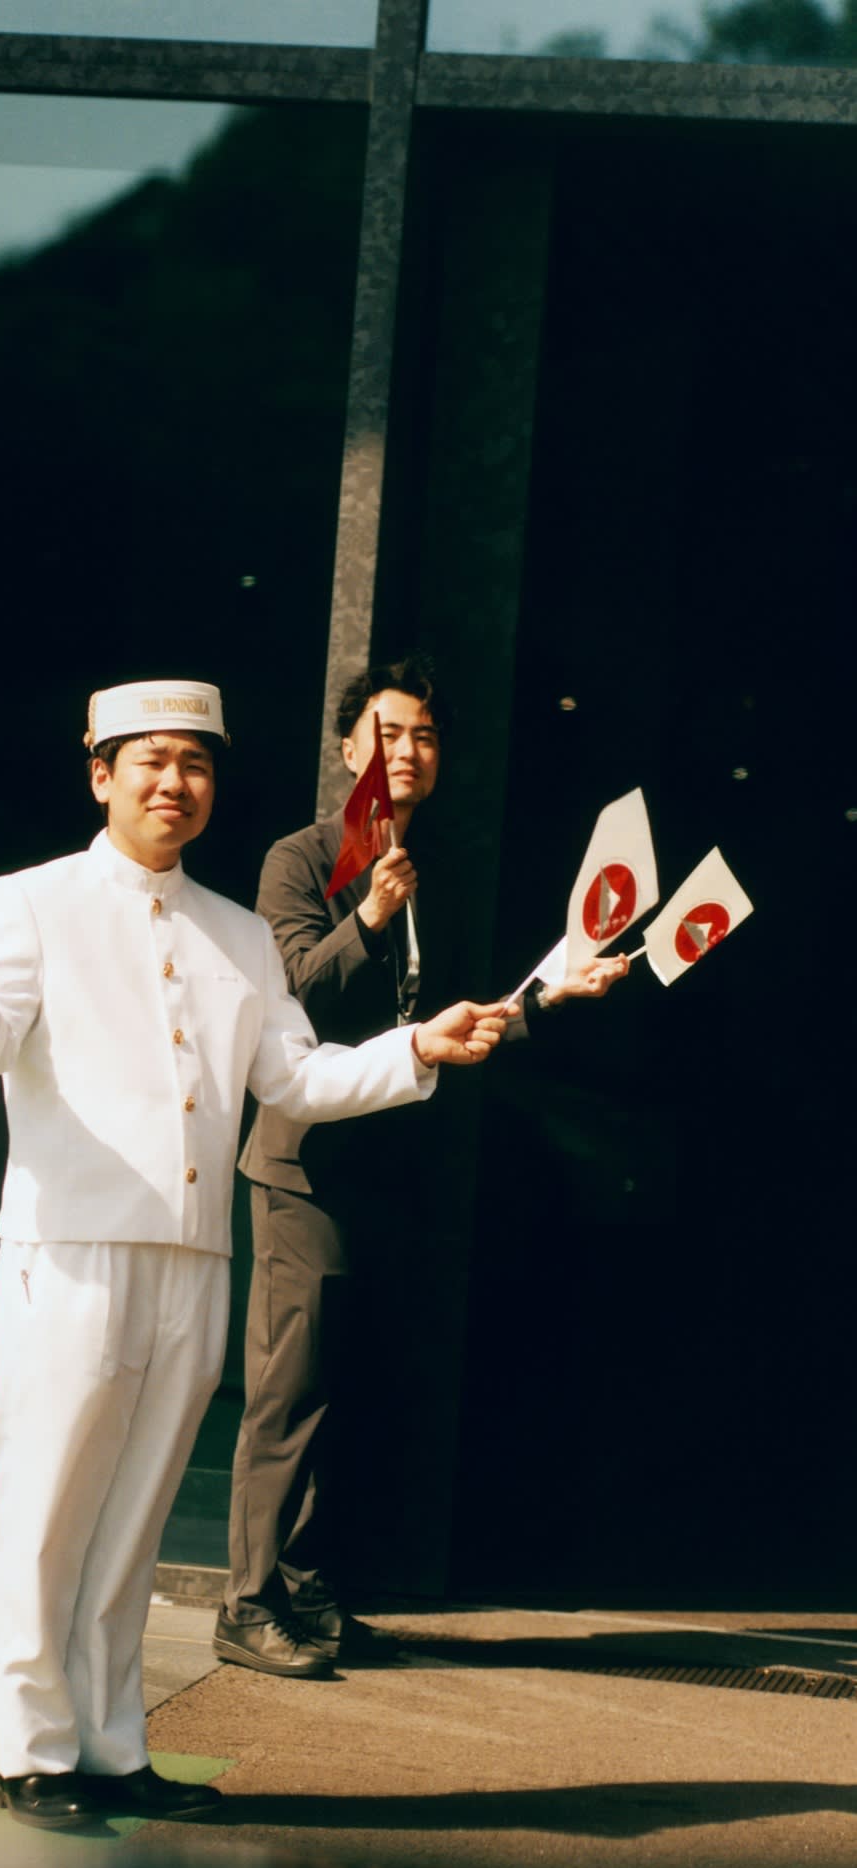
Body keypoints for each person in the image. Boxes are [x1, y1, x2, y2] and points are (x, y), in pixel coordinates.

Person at [0, 677, 513, 1830]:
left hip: (191, 1260)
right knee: (44, 1511)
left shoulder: (238, 932)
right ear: (100, 773)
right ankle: (31, 1751)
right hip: (70, 1249)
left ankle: (112, 1743)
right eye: (148, 761)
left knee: (135, 1519)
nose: (172, 784)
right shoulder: (28, 899)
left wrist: (415, 1046)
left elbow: (293, 1079)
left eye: (193, 764)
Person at [215, 653, 627, 1679]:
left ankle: (308, 1593)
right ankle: (247, 1601)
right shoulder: (299, 859)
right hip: (306, 1167)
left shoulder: (428, 861)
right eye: (390, 733)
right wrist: (368, 917)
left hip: (393, 1169)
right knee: (289, 1391)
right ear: (350, 748)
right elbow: (295, 1002)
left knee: (351, 1390)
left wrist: (546, 1001)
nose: (409, 752)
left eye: (426, 738)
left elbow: (444, 1029)